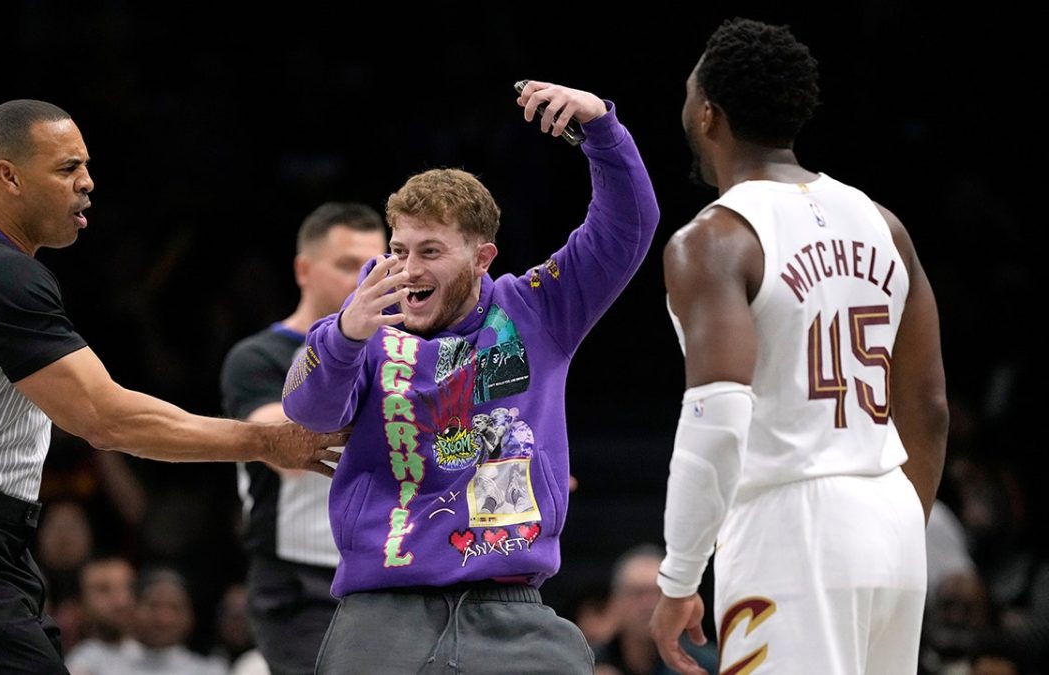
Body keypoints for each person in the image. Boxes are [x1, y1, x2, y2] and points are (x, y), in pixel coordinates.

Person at [0, 98, 348, 675]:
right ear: (8, 176)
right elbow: (106, 419)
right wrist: (264, 441)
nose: (87, 182)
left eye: (86, 166)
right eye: (67, 168)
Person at [282, 80, 660, 674]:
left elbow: (626, 230)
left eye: (430, 252)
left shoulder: (535, 311)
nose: (408, 269)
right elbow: (307, 410)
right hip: (383, 610)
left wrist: (601, 130)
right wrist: (345, 336)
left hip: (508, 606)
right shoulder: (363, 324)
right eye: (399, 250)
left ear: (482, 258)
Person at [647, 18, 949, 674]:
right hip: (893, 519)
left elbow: (718, 421)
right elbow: (928, 407)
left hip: (789, 526)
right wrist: (893, 527)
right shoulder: (883, 223)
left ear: (708, 115)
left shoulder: (713, 240)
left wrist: (679, 578)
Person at [220, 201, 386, 674]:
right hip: (298, 580)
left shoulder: (402, 352)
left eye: (376, 266)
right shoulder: (259, 358)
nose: (364, 280)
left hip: (388, 568)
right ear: (304, 270)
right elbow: (289, 450)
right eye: (347, 265)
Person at [593, 543, 718, 675]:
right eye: (638, 593)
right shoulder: (586, 664)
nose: (650, 605)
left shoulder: (708, 666)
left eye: (660, 594)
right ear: (615, 602)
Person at [66, 556, 141, 675]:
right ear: (81, 602)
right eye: (104, 590)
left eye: (127, 588)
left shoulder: (157, 655)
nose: (121, 601)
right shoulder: (79, 665)